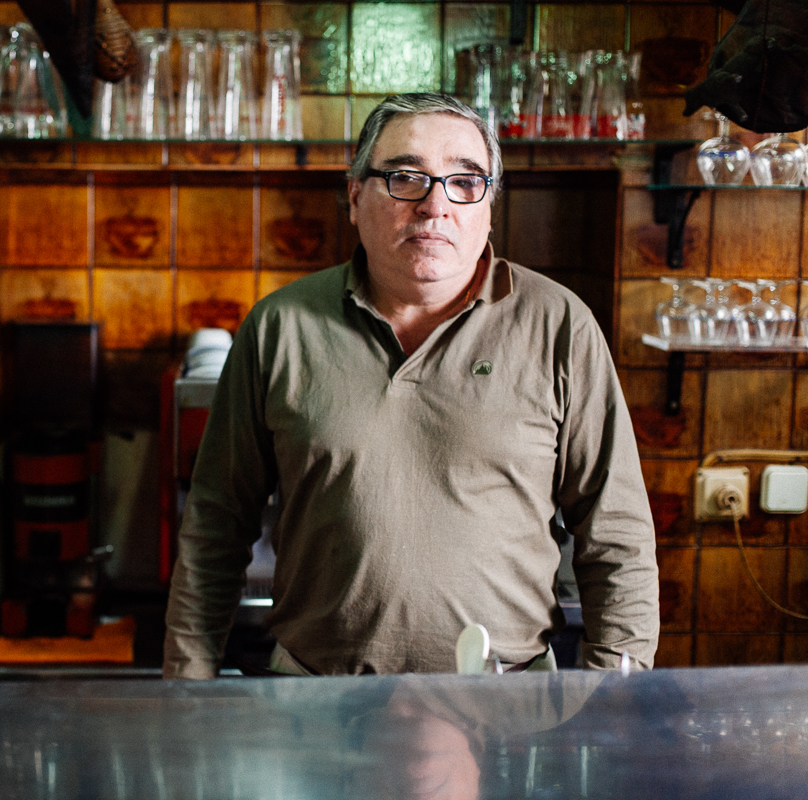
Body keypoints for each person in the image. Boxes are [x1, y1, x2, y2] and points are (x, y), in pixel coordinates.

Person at [162, 92, 660, 679]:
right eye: (405, 178)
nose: (435, 205)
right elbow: (215, 526)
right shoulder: (281, 326)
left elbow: (617, 535)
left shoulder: (558, 325)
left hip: (505, 707)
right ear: (355, 196)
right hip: (314, 702)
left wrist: (614, 702)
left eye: (465, 182)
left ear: (489, 206)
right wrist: (187, 691)